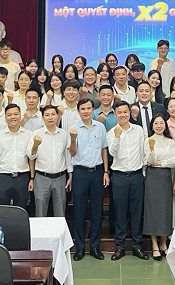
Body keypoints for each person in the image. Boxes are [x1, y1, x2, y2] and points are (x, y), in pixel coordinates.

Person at [106, 101, 148, 261]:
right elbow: (112, 153)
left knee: (137, 212)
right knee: (120, 213)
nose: (123, 115)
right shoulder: (111, 133)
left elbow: (143, 151)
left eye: (125, 112)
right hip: (119, 177)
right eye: (120, 112)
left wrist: (143, 172)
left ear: (129, 113)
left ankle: (137, 246)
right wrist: (117, 137)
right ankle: (120, 247)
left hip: (137, 175)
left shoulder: (138, 130)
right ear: (115, 114)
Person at [71, 99, 110, 261]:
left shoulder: (100, 127)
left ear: (93, 110)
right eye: (83, 109)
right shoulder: (73, 128)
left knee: (97, 211)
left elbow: (104, 150)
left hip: (97, 172)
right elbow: (72, 153)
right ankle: (80, 248)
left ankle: (95, 247)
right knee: (79, 211)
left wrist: (106, 171)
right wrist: (72, 139)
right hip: (80, 172)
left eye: (88, 108)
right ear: (78, 111)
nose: (86, 111)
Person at [143, 113, 175, 261]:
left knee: (165, 209)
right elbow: (149, 160)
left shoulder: (170, 141)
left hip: (165, 177)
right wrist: (152, 149)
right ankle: (154, 244)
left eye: (161, 123)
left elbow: (174, 160)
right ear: (152, 126)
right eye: (156, 123)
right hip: (152, 176)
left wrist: (161, 162)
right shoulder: (148, 140)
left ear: (165, 125)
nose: (158, 126)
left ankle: (164, 242)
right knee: (152, 209)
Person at [28, 105, 72, 217]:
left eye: (53, 114)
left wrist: (70, 175)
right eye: (47, 115)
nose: (50, 117)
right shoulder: (36, 134)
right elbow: (31, 157)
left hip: (60, 177)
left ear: (57, 116)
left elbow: (67, 155)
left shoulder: (64, 134)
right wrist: (35, 145)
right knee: (40, 211)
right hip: (42, 178)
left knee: (60, 212)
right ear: (42, 117)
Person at [0, 104, 35, 209]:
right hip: (3, 177)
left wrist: (32, 178)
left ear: (20, 115)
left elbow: (31, 157)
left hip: (22, 177)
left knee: (21, 210)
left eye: (16, 114)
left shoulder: (28, 134)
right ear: (5, 118)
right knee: (2, 210)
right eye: (9, 115)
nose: (13, 117)